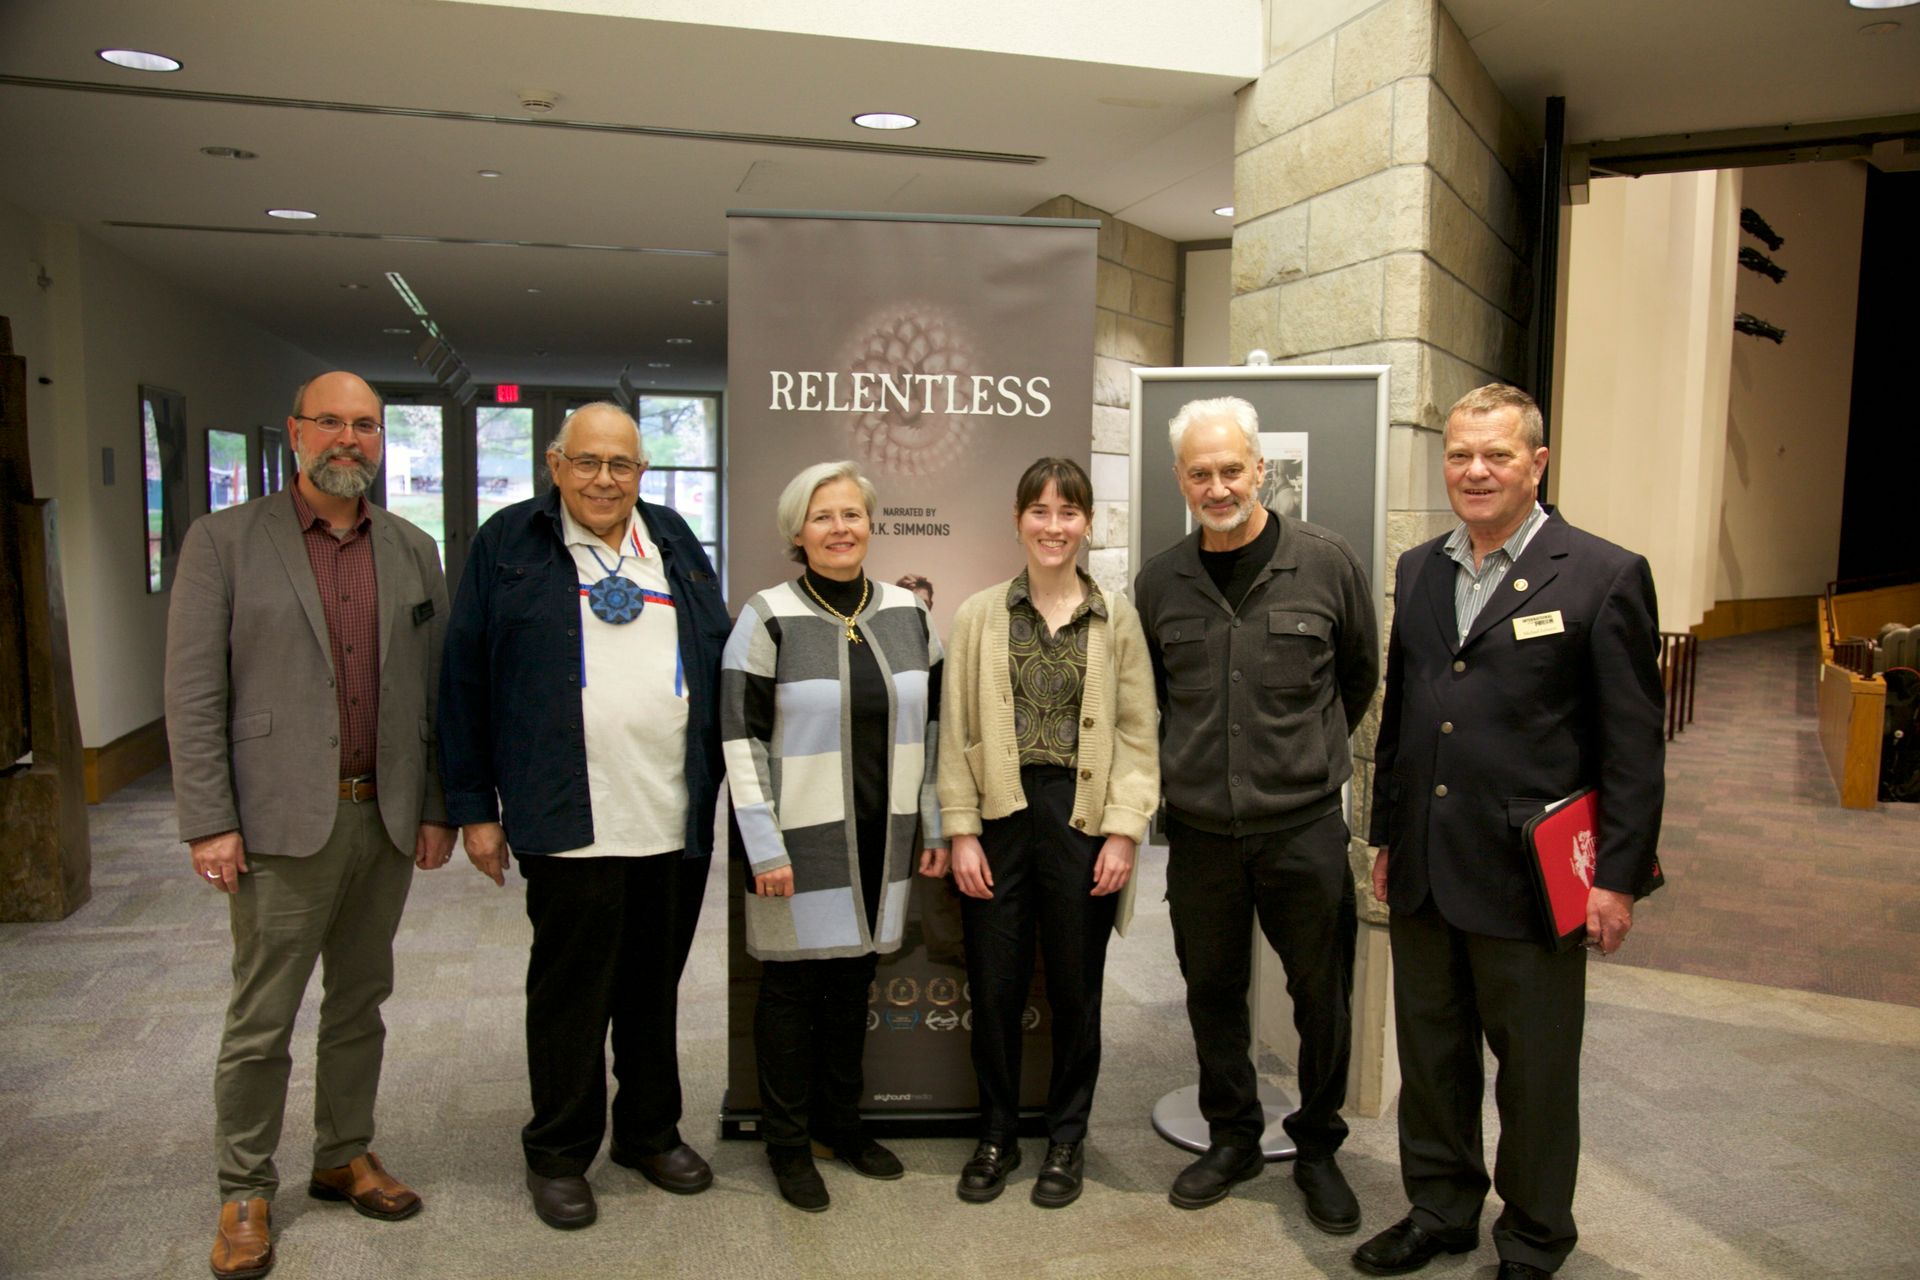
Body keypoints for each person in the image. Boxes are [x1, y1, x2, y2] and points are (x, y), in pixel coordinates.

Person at [1353, 384, 1665, 1280]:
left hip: (1531, 878)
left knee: (1532, 1074)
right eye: (1459, 454)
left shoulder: (1603, 574)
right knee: (1433, 1054)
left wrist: (1615, 878)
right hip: (1424, 866)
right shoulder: (1419, 568)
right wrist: (1383, 839)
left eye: (1495, 455)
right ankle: (1441, 1208)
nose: (1475, 471)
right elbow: (1405, 716)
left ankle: (1532, 1238)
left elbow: (1633, 749)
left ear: (1537, 463)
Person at [165, 371, 455, 1280]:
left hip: (385, 816)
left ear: (382, 439)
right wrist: (209, 820)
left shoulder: (413, 549)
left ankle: (343, 1153)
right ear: (294, 431)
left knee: (361, 1000)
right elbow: (193, 691)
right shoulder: (224, 542)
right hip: (281, 821)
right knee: (263, 1015)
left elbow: (438, 693)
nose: (348, 438)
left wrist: (440, 804)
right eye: (329, 421)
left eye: (364, 425)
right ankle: (244, 1186)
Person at [437, 402, 731, 1231]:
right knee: (571, 993)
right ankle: (560, 1152)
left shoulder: (671, 537)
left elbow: (714, 651)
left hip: (672, 813)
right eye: (590, 463)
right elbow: (464, 679)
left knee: (653, 988)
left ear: (642, 472)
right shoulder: (509, 544)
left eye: (623, 465)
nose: (606, 480)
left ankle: (649, 1131)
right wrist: (474, 808)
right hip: (567, 814)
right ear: (555, 464)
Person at [1132, 395, 1380, 1234]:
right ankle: (1232, 1135)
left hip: (1303, 828)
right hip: (1201, 832)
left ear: (1259, 468)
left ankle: (1317, 1147)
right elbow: (1156, 702)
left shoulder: (1326, 561)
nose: (1217, 485)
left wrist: (1300, 759)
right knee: (1213, 992)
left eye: (1230, 469)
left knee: (1322, 996)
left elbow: (1357, 679)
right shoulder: (1159, 581)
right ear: (1181, 479)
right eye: (1199, 473)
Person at [720, 460, 949, 1212]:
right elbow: (739, 740)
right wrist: (763, 846)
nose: (840, 529)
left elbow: (939, 727)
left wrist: (936, 821)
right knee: (789, 990)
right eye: (823, 517)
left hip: (883, 837)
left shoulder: (907, 614)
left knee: (853, 986)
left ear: (871, 525)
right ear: (797, 531)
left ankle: (839, 1127)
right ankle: (788, 1144)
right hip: (797, 841)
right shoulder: (768, 616)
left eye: (852, 515)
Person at [936, 457, 1159, 1208]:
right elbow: (956, 731)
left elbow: (1136, 732)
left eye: (1069, 512)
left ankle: (1068, 1138)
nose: (1054, 526)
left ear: (1088, 523)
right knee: (995, 988)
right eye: (1040, 511)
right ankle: (996, 1134)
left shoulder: (1114, 615)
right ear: (1018, 519)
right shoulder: (978, 615)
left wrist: (1125, 831)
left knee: (1075, 987)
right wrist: (961, 830)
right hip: (999, 816)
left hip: (1083, 819)